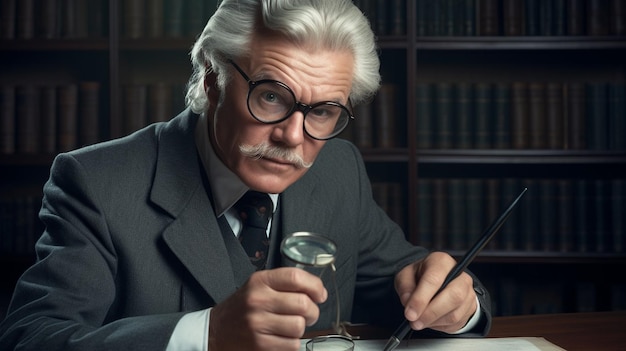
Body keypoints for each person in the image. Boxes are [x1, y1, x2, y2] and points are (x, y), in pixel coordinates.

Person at [0, 1, 491, 350]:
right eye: (272, 96)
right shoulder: (96, 182)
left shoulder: (339, 170)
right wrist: (206, 336)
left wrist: (455, 303)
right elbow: (31, 338)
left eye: (322, 111)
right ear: (212, 80)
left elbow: (413, 283)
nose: (293, 137)